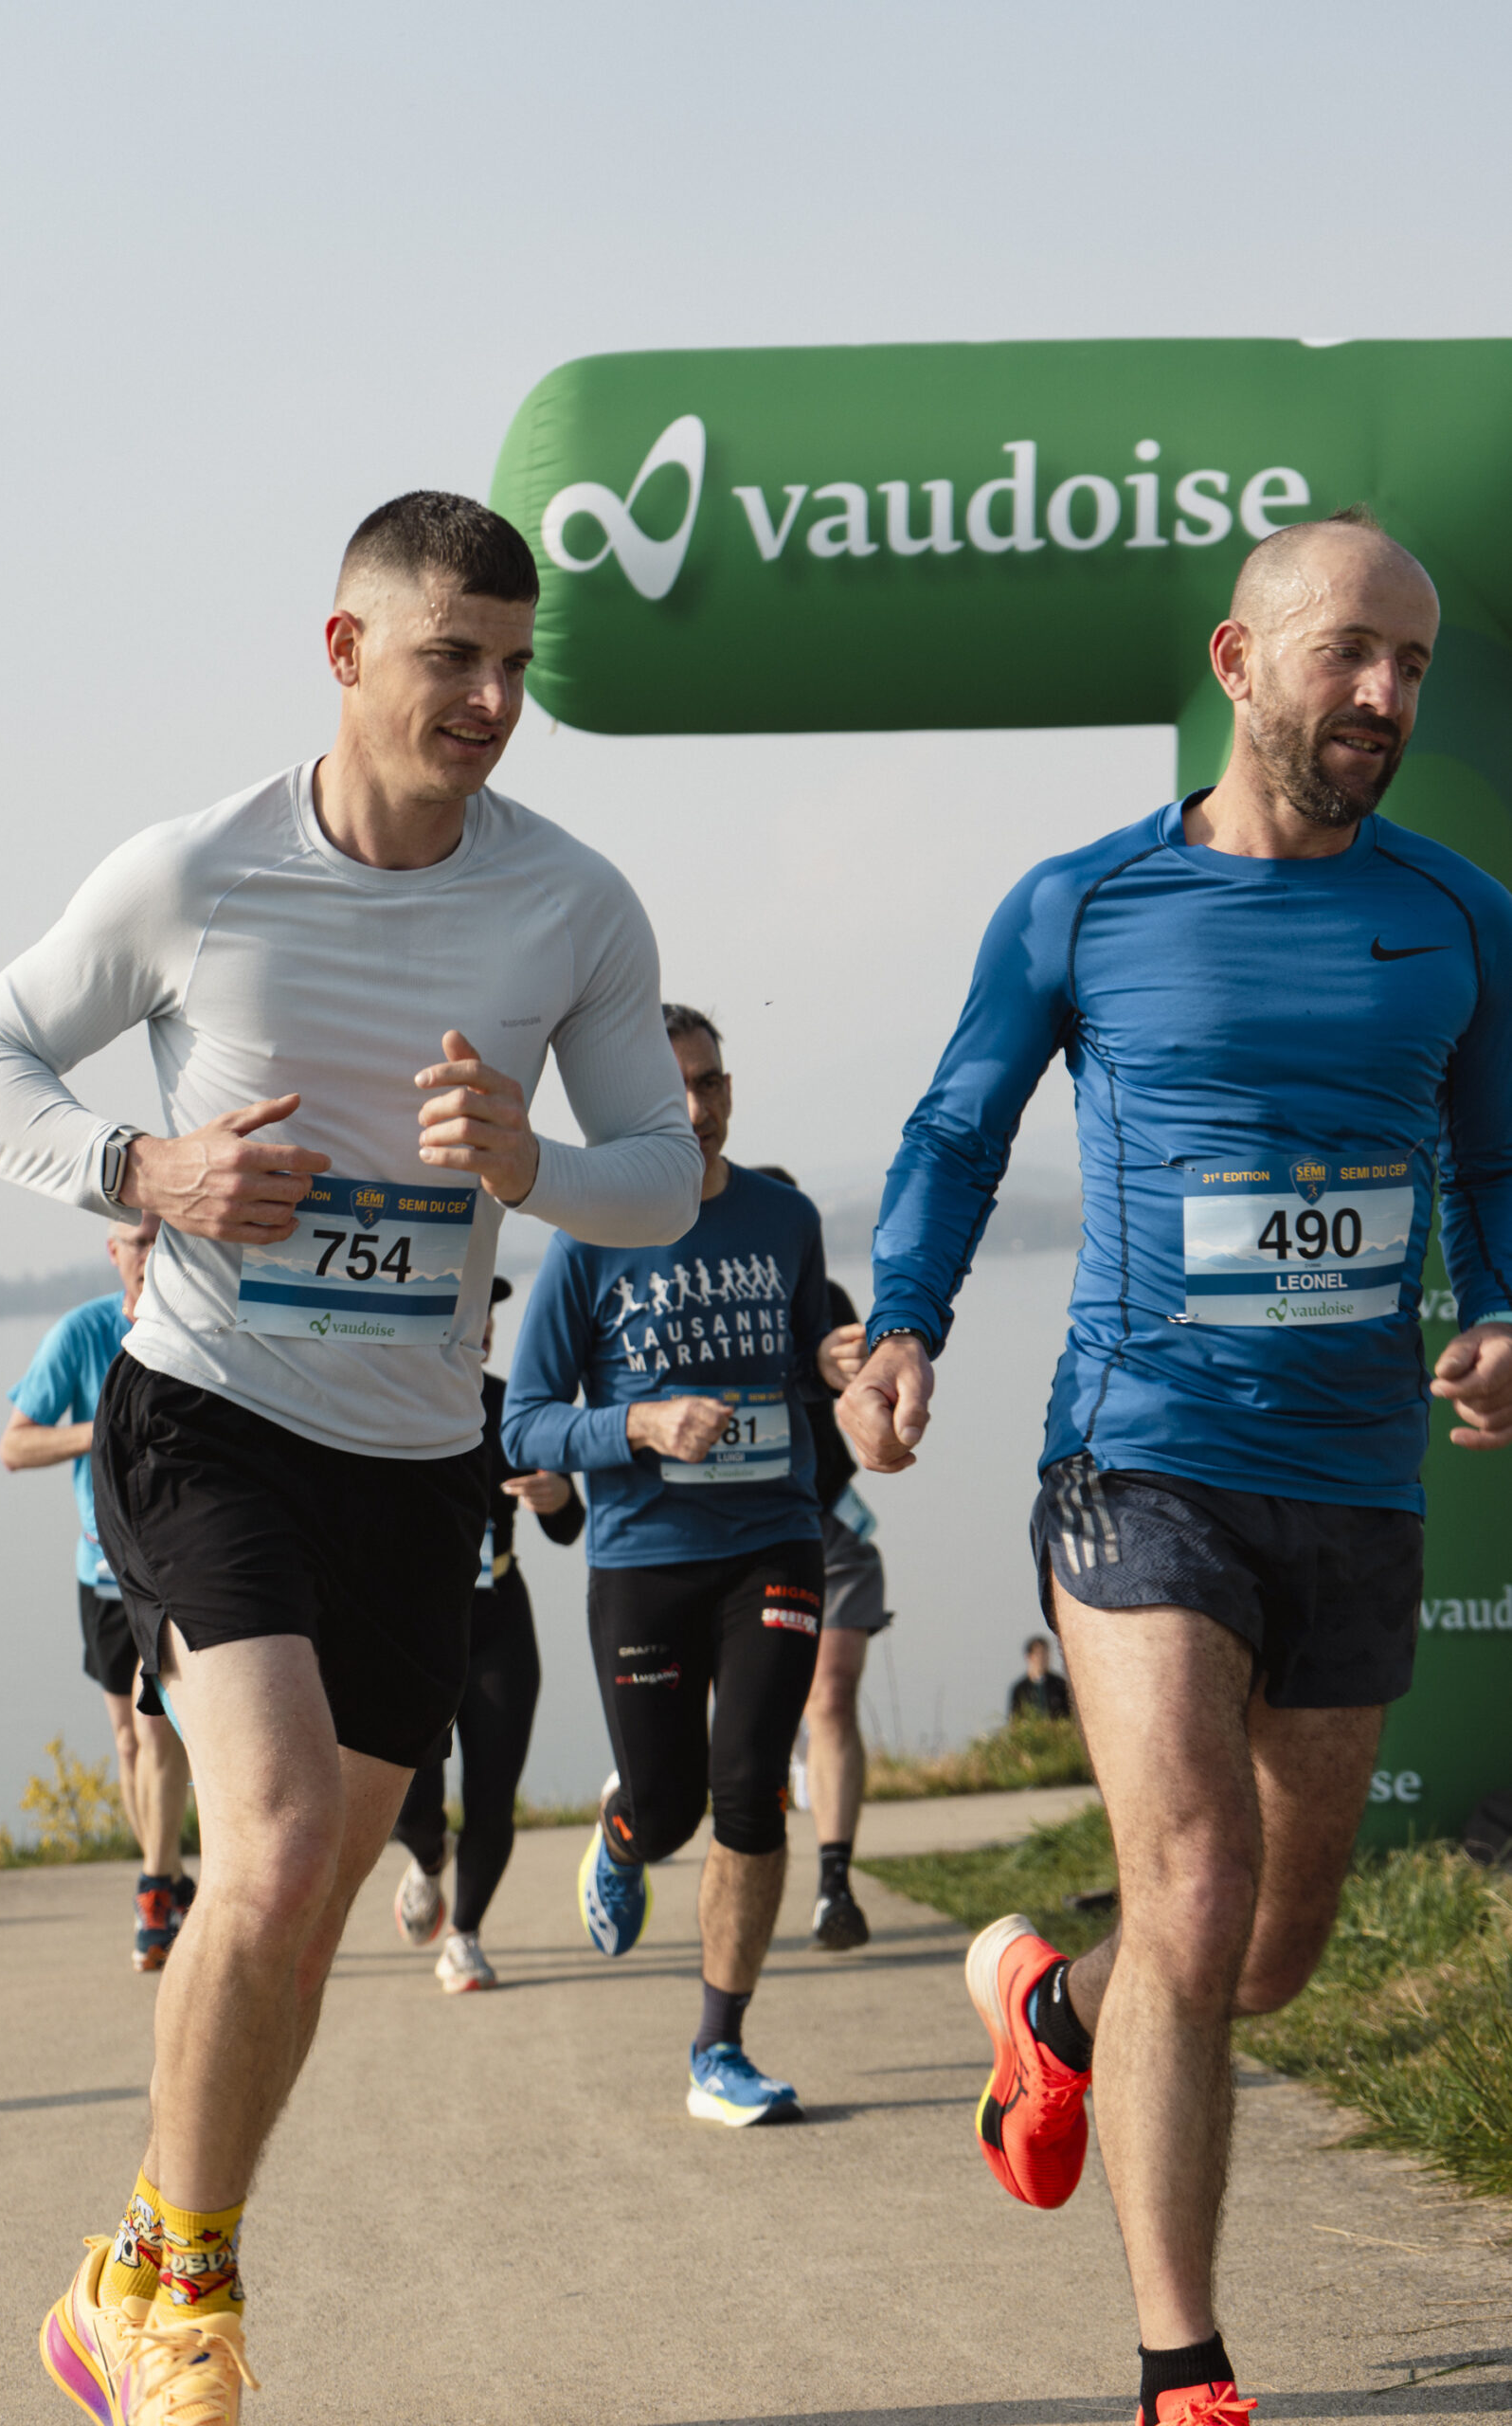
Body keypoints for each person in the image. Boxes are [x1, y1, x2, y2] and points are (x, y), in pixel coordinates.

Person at [0, 490, 699, 2423]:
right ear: (345, 650)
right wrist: (150, 1167)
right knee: (266, 1847)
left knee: (297, 1922)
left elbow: (660, 1179)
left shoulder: (573, 902)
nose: (492, 702)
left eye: (516, 666)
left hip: (419, 1461)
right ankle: (186, 2297)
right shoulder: (197, 870)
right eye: (453, 658)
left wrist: (530, 1163)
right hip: (209, 1418)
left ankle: (130, 2262)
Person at [837, 509, 1512, 2426]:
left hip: (1356, 1477)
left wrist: (1504, 1309)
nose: (1382, 692)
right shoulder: (1081, 902)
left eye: (1410, 664)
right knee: (1198, 1881)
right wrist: (901, 1325)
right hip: (1139, 1460)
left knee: (1265, 1954)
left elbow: (1495, 1160)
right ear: (1236, 661)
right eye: (1348, 651)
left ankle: (1051, 2006)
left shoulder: (1460, 913)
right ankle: (1179, 2365)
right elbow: (957, 1131)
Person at [503, 1006, 855, 2125]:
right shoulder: (587, 1236)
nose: (696, 1109)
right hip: (645, 1555)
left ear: (729, 1088)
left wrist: (831, 1362)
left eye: (710, 1084)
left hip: (774, 1540)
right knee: (670, 1811)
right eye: (673, 1091)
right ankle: (626, 1829)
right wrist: (640, 1426)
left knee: (751, 1789)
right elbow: (524, 1423)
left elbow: (803, 1365)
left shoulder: (786, 1220)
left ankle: (719, 2047)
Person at [0, 1213, 195, 1971]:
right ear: (113, 1252)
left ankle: (154, 1892)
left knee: (158, 1736)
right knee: (127, 1741)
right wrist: (101, 1430)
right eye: (138, 1241)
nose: (151, 1253)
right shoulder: (81, 1334)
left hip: (178, 1574)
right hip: (102, 1575)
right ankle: (168, 1876)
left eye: (163, 1237)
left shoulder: (200, 1328)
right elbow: (14, 1445)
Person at [390, 1274, 585, 1989]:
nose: (486, 1323)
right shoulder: (386, 1402)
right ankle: (427, 1857)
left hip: (498, 1616)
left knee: (493, 1793)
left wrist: (560, 1496)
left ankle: (465, 1935)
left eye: (490, 1313)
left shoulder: (512, 1408)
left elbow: (568, 1527)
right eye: (469, 1310)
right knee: (408, 1800)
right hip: (409, 1627)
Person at [757, 1165, 885, 1951]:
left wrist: (871, 1388)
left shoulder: (828, 1301)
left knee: (829, 1698)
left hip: (829, 1529)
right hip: (737, 1534)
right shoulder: (705, 1303)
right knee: (747, 1722)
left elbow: (864, 1407)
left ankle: (834, 1885)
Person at [1008, 1634, 1071, 1723]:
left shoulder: (1059, 1685)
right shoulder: (1020, 1689)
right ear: (1029, 1657)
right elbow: (1015, 1719)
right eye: (1038, 1654)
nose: (1042, 1658)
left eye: (1045, 1654)